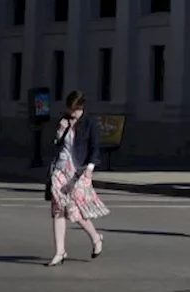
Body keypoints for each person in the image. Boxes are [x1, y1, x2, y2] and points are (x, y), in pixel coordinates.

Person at [47, 90, 109, 267]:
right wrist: (60, 130)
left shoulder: (90, 123)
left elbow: (95, 148)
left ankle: (96, 237)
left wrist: (90, 168)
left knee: (75, 211)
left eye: (75, 109)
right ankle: (60, 251)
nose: (72, 112)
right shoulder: (64, 121)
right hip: (60, 169)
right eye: (70, 109)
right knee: (58, 208)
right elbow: (56, 144)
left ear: (81, 107)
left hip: (78, 171)